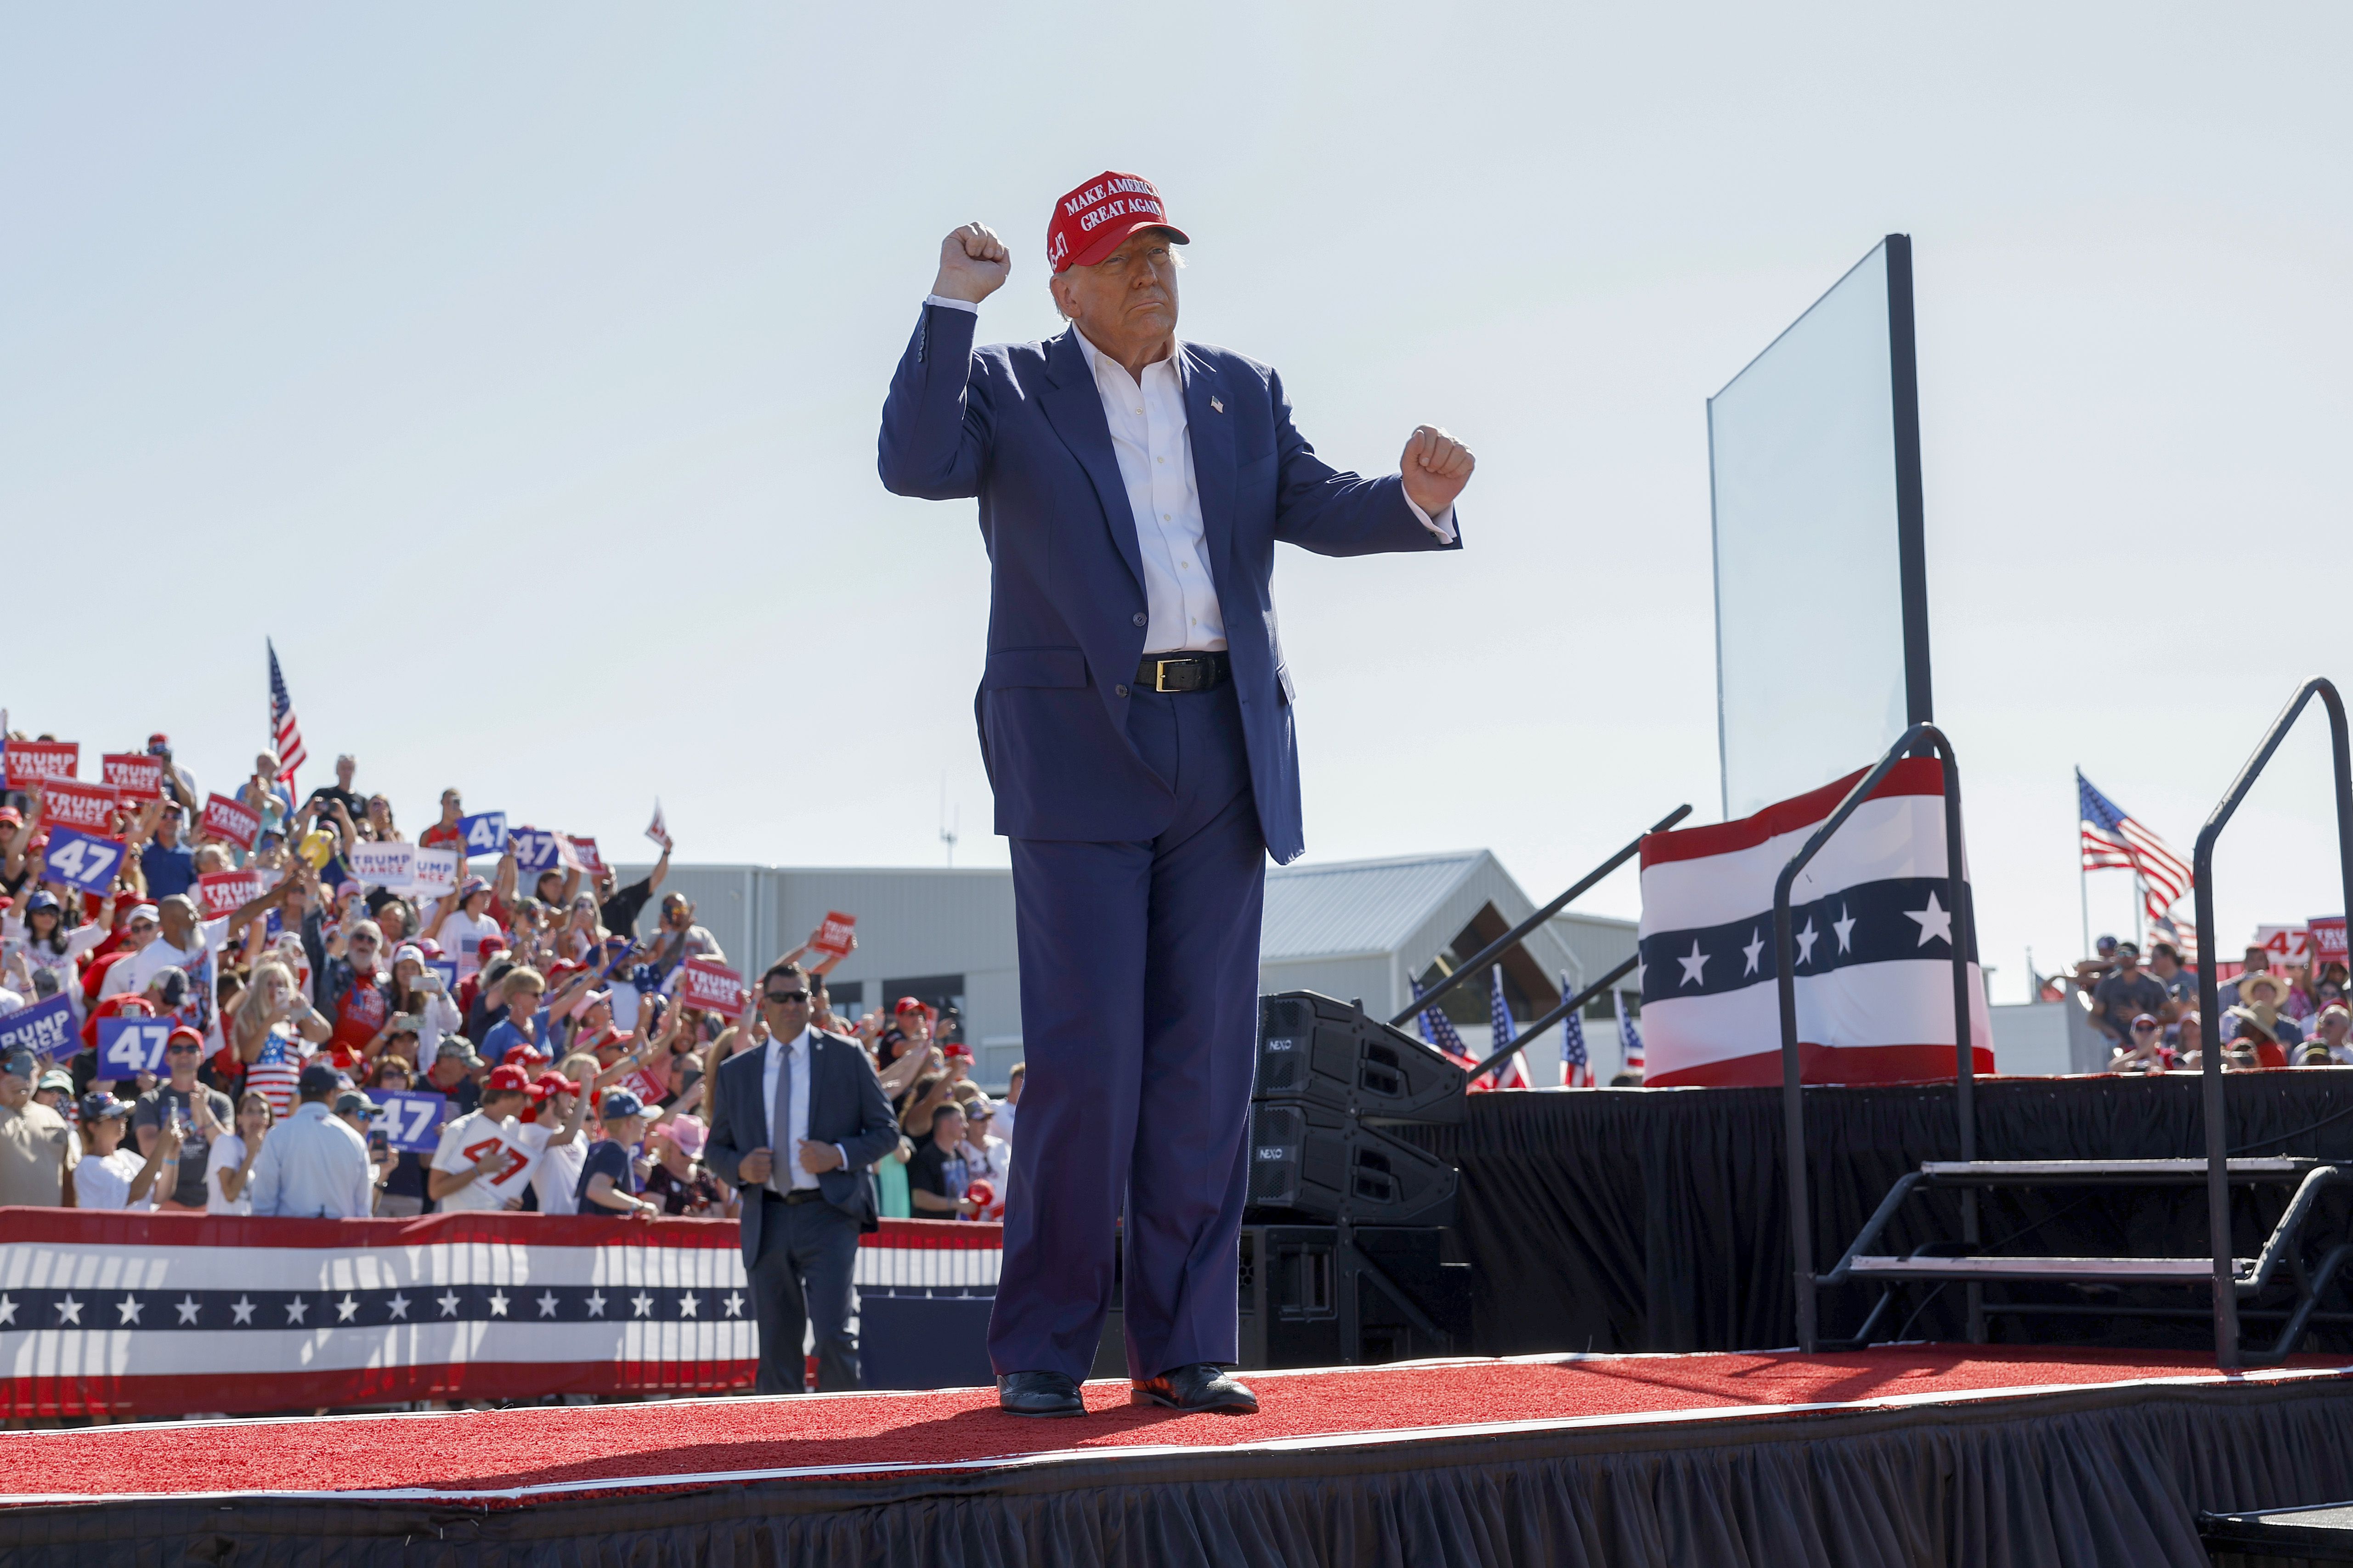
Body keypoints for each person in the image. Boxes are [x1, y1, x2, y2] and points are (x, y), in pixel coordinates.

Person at [880, 177, 1472, 1418]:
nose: (1150, 272)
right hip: (1076, 750)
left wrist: (1415, 497)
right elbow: (913, 462)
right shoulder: (1009, 384)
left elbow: (1320, 503)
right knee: (1086, 1062)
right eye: (1121, 257)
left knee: (1205, 1066)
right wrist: (950, 304)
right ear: (1065, 288)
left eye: (1161, 252)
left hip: (1223, 741)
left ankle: (1186, 1343)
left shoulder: (1241, 389)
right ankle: (1044, 1346)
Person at [704, 961, 899, 1394]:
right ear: (764, 1006)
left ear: (811, 1003)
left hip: (829, 1214)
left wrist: (838, 1155)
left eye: (799, 997)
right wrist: (740, 1168)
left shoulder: (847, 1056)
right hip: (767, 1217)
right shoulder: (737, 1071)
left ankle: (847, 1431)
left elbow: (887, 1132)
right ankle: (779, 1437)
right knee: (776, 1347)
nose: (791, 1005)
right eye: (781, 998)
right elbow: (714, 1150)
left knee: (833, 1337)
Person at [246, 1063, 377, 1218]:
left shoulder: (277, 1136)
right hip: (338, 1233)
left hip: (290, 1232)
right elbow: (363, 1210)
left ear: (300, 1092)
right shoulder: (355, 1139)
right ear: (331, 1094)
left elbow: (263, 1205)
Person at [134, 1025, 235, 1210]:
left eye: (191, 1049)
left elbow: (228, 1150)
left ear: (202, 1057)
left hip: (211, 1201)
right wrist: (193, 1126)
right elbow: (149, 1150)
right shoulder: (151, 1100)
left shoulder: (220, 1101)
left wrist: (205, 1111)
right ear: (168, 1058)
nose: (184, 1054)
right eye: (177, 1049)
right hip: (163, 1200)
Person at [427, 1063, 541, 1211]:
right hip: (462, 1222)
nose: (529, 1103)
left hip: (496, 1223)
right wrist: (479, 1170)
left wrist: (511, 1203)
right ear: (504, 1096)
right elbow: (435, 1191)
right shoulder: (458, 1130)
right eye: (525, 1096)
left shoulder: (513, 1126)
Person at [74, 1091, 175, 1210]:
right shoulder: (88, 1166)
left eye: (122, 1115)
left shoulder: (127, 1156)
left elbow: (161, 1195)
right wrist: (162, 1146)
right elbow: (134, 1193)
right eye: (114, 1116)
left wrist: (172, 1154)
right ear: (93, 1127)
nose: (122, 1121)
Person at [0, 1046, 73, 1207]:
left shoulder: (54, 1118)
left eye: (29, 1067)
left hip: (47, 1221)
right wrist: (2, 1103)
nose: (20, 1075)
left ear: (39, 1073)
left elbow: (68, 1177)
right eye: (9, 1067)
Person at [517, 1066, 593, 1215]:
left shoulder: (580, 1135)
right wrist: (585, 1095)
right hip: (554, 1222)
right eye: (566, 1095)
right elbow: (566, 1138)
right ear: (551, 1102)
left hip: (585, 1220)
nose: (572, 1099)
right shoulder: (530, 1132)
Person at [576, 1087, 657, 1220]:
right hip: (599, 1233)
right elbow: (596, 1190)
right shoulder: (615, 1152)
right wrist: (640, 1206)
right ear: (629, 1124)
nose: (645, 1125)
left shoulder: (609, 1150)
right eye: (641, 1119)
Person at [2088, 942, 2170, 1051]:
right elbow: (2093, 1017)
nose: (2125, 958)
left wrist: (2142, 1015)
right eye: (2121, 954)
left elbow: (2172, 1015)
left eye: (2129, 954)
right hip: (2117, 1047)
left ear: (2138, 956)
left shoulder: (2154, 984)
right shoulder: (2107, 984)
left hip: (2149, 1047)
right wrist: (2112, 1032)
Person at [644, 1114, 727, 1216]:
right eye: (684, 1153)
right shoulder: (657, 1174)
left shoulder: (704, 1176)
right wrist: (687, 1221)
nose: (690, 1158)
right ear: (670, 1145)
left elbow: (721, 1216)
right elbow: (652, 1215)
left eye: (694, 1154)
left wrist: (703, 1219)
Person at [206, 1090, 272, 1214]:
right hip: (223, 1226)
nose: (256, 1117)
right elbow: (231, 1194)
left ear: (268, 1119)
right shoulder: (226, 1143)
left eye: (262, 1111)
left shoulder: (271, 1154)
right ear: (239, 1119)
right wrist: (251, 1153)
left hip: (253, 1226)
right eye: (250, 1111)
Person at [908, 1102, 975, 1218]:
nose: (966, 1126)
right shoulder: (927, 1157)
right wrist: (956, 1204)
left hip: (956, 1226)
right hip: (933, 1227)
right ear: (945, 1124)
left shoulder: (960, 1155)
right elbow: (920, 1199)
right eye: (961, 1120)